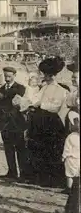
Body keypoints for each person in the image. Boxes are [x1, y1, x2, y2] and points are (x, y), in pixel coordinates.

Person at [25, 56, 69, 187]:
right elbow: (36, 99)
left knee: (50, 150)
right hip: (39, 121)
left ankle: (52, 180)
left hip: (51, 122)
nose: (46, 77)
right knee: (38, 148)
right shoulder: (44, 87)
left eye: (48, 75)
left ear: (53, 75)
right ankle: (39, 177)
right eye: (45, 74)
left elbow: (55, 107)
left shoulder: (61, 89)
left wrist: (41, 105)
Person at [0, 67, 30, 182]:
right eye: (5, 76)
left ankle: (23, 174)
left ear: (14, 75)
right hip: (4, 123)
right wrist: (1, 104)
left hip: (16, 122)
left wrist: (4, 106)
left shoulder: (20, 88)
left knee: (20, 148)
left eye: (9, 76)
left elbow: (17, 105)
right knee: (8, 148)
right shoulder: (2, 88)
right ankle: (12, 172)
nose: (7, 79)